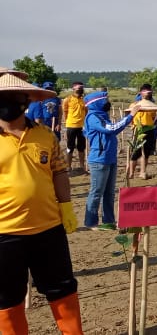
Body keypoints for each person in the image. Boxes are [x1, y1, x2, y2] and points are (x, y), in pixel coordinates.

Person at [0, 74, 83, 334]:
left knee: (63, 291)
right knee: (6, 299)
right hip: (4, 234)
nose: (10, 103)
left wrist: (66, 206)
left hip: (48, 229)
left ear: (26, 100)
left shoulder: (45, 134)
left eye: (15, 97)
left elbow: (59, 171)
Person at [83, 91, 141, 230]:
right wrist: (130, 116)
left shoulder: (103, 116)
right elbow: (111, 129)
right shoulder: (93, 117)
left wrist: (128, 117)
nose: (107, 102)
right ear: (97, 103)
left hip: (110, 158)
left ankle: (108, 221)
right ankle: (90, 222)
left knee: (109, 193)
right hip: (99, 160)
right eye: (105, 100)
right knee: (96, 192)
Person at [129, 84, 157, 180]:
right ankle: (131, 173)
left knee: (146, 153)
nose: (149, 93)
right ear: (141, 93)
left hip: (149, 130)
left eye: (150, 91)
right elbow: (129, 117)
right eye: (146, 91)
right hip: (138, 130)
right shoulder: (134, 105)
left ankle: (142, 172)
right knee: (135, 152)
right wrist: (133, 125)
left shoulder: (152, 105)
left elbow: (154, 118)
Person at [61, 81, 87, 174]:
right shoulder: (67, 100)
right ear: (74, 89)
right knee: (70, 147)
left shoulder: (84, 100)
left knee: (81, 147)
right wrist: (67, 122)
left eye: (81, 88)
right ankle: (68, 167)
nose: (80, 90)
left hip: (82, 127)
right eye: (78, 88)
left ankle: (82, 166)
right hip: (71, 126)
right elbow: (65, 112)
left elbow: (86, 111)